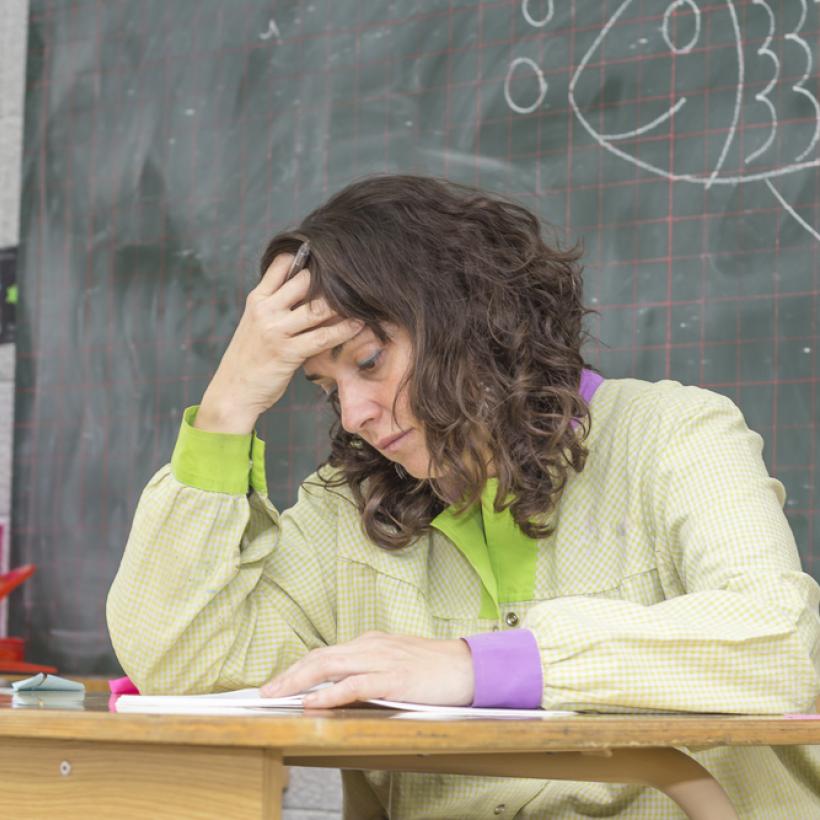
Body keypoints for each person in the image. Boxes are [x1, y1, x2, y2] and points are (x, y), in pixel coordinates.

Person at [107, 174, 820, 818]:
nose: (353, 414)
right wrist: (230, 405)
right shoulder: (344, 510)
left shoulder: (674, 433)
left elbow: (781, 644)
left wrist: (477, 665)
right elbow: (180, 664)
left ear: (466, 318)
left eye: (369, 362)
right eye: (326, 388)